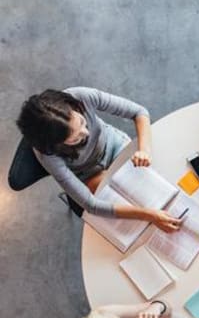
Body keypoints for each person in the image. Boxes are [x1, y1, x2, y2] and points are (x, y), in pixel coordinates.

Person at [16, 87, 182, 232]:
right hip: (87, 174)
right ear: (56, 145)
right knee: (129, 210)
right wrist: (148, 215)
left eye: (82, 122)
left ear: (73, 106)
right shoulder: (47, 154)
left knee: (157, 180)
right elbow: (91, 205)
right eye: (75, 138)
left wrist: (144, 150)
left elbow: (139, 112)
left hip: (114, 146)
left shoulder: (81, 96)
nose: (86, 133)